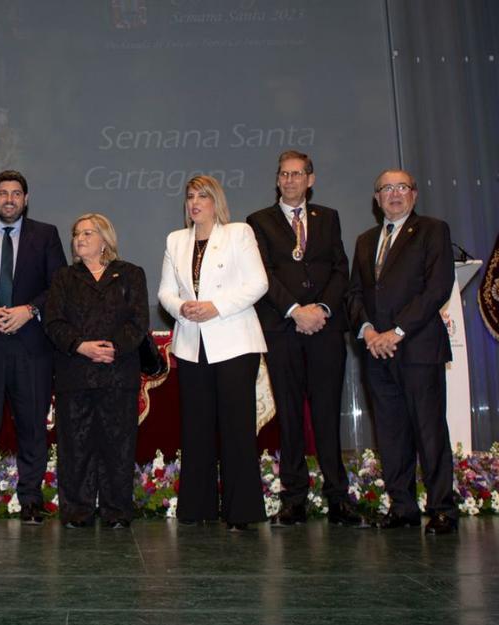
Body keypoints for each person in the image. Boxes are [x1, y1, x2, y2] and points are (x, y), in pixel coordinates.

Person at [246, 151, 362, 527]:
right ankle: (293, 498)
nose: (290, 180)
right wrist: (296, 310)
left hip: (325, 331)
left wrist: (322, 309)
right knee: (291, 415)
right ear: (277, 180)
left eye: (297, 174)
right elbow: (262, 274)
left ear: (310, 179)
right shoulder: (258, 221)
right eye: (284, 174)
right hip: (283, 330)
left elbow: (340, 269)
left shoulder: (328, 218)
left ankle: (337, 497)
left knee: (328, 414)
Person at [346, 169, 457, 535]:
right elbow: (355, 295)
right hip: (375, 351)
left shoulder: (432, 230)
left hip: (418, 347)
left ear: (414, 194)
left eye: (401, 187)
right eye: (386, 189)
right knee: (391, 433)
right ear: (376, 199)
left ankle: (442, 508)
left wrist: (396, 332)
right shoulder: (365, 241)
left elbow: (437, 288)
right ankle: (402, 507)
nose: (394, 194)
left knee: (429, 430)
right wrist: (368, 331)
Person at [158, 175, 268, 531]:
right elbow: (165, 292)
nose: (194, 202)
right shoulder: (176, 240)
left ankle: (242, 512)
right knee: (196, 428)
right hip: (192, 344)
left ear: (215, 200)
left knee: (236, 428)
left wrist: (215, 306)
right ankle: (197, 507)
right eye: (190, 196)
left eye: (202, 196)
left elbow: (258, 283)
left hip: (235, 342)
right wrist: (182, 307)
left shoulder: (238, 233)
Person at [0, 170, 66, 525]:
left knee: (33, 426)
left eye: (16, 193)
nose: (9, 199)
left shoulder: (46, 235)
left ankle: (31, 499)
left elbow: (59, 287)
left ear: (26, 198)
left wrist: (29, 310)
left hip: (31, 348)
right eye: (3, 193)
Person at [43, 214, 148, 529]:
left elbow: (139, 321)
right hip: (75, 374)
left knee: (118, 446)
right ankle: (78, 511)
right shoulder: (64, 277)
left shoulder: (130, 274)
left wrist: (112, 347)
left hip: (118, 373)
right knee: (75, 446)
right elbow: (54, 323)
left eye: (88, 232)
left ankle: (117, 511)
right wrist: (81, 346)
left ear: (105, 239)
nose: (80, 238)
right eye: (76, 233)